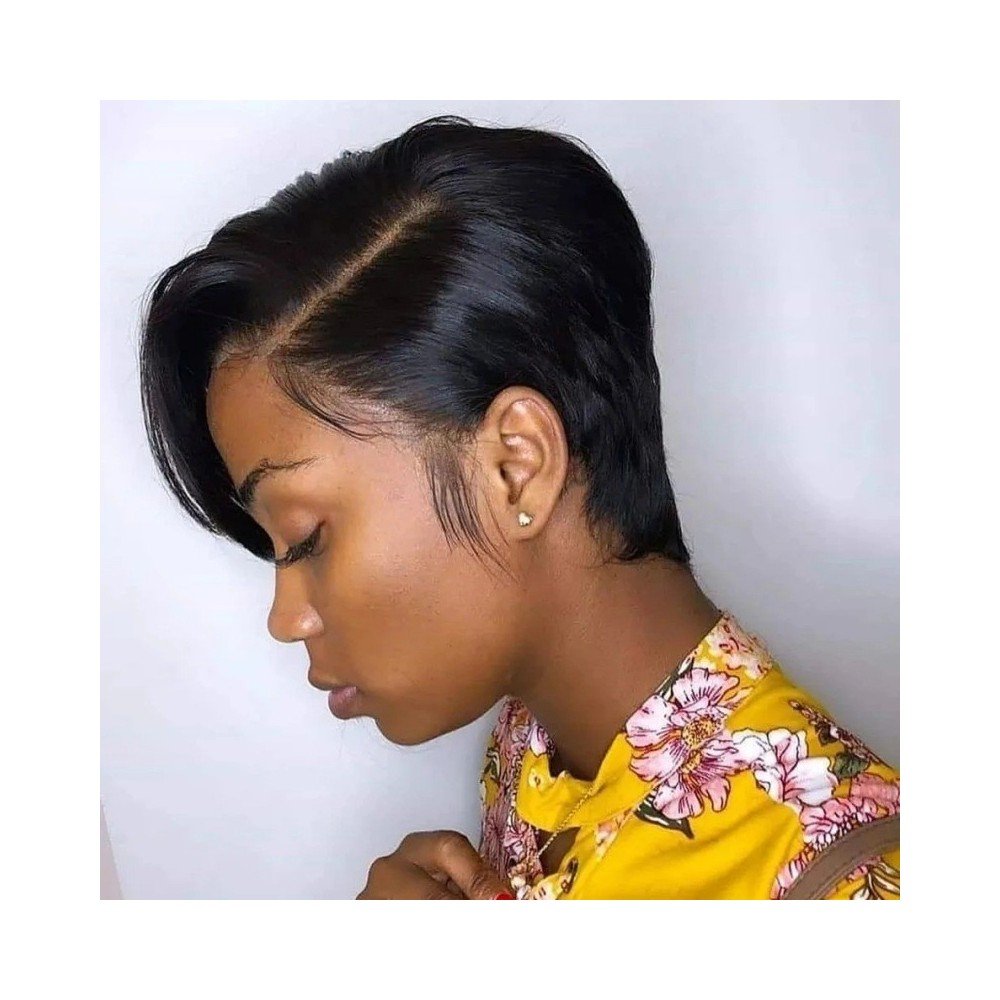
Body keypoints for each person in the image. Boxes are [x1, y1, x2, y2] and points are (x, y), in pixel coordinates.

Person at [137, 114, 899, 899]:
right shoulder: (530, 745)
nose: (286, 617)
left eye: (305, 538)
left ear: (516, 468)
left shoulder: (857, 889)